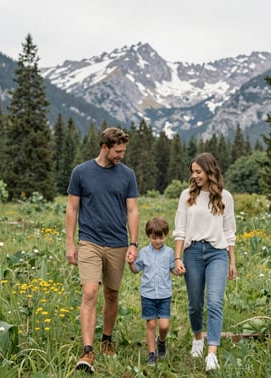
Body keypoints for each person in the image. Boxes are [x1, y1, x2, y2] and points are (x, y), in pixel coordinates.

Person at [66, 127, 139, 374]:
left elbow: (132, 211)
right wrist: (70, 243)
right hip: (89, 241)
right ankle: (87, 351)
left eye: (124, 151)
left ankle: (107, 339)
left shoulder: (127, 175)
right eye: (118, 151)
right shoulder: (81, 172)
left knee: (111, 294)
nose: (121, 155)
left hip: (118, 242)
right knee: (90, 292)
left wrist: (134, 242)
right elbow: (72, 209)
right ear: (104, 147)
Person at [173, 152, 237, 372]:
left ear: (210, 172)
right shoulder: (186, 196)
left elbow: (229, 231)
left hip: (217, 253)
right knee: (195, 305)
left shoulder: (225, 197)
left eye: (198, 171)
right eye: (193, 171)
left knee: (214, 301)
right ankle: (197, 338)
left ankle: (212, 354)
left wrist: (232, 261)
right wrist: (178, 258)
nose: (194, 176)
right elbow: (180, 229)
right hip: (191, 253)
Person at [127, 217, 178, 366]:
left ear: (166, 236)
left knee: (164, 326)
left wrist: (179, 270)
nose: (157, 241)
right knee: (150, 324)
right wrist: (130, 264)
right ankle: (151, 353)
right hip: (148, 294)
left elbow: (173, 269)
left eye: (160, 237)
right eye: (154, 238)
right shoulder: (143, 252)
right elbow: (136, 270)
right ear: (148, 236)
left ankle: (161, 341)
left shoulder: (169, 253)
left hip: (164, 294)